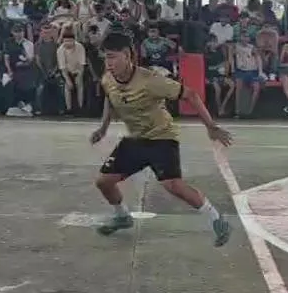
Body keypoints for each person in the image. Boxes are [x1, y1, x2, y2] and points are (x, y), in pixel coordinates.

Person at [90, 32, 234, 246]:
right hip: (135, 139)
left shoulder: (151, 80)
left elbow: (191, 95)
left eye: (112, 57)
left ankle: (217, 219)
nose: (108, 63)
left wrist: (211, 127)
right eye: (105, 58)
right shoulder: (108, 79)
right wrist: (103, 128)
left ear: (127, 55)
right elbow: (110, 100)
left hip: (162, 137)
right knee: (103, 182)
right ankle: (122, 217)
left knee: (173, 185)